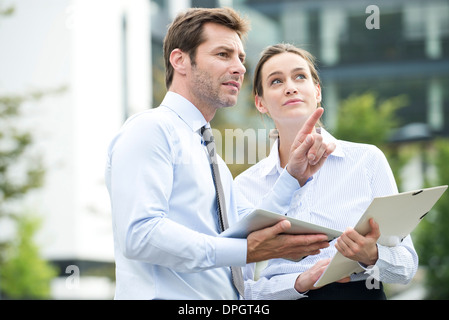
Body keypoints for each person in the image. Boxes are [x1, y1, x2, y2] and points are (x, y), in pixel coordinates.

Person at [105, 8, 334, 300]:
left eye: (240, 57)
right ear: (180, 60)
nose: (240, 67)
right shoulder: (151, 129)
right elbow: (140, 235)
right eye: (223, 55)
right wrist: (246, 251)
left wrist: (293, 176)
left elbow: (244, 229)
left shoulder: (210, 155)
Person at [234, 43, 419, 300]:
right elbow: (238, 291)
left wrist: (372, 255)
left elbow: (406, 268)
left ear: (317, 91)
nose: (290, 86)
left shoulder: (367, 160)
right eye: (276, 81)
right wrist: (299, 282)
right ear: (260, 102)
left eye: (300, 76)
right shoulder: (245, 185)